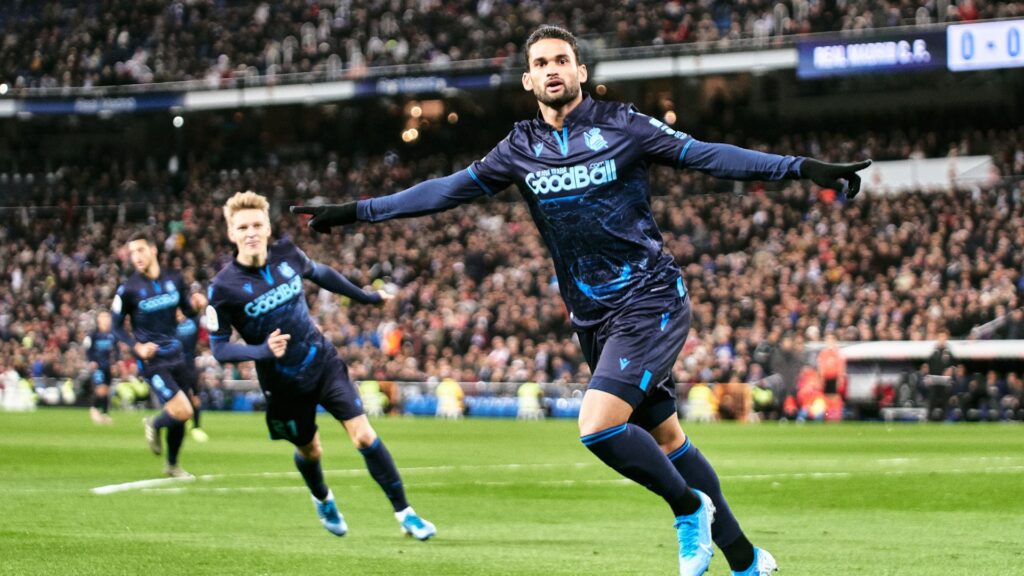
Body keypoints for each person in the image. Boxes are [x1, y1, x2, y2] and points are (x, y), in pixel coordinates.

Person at [292, 25, 870, 576]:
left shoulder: (624, 125)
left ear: (581, 71)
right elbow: (446, 190)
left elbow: (707, 155)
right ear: (527, 79)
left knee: (597, 426)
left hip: (650, 299)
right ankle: (744, 560)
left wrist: (801, 168)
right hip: (592, 317)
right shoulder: (520, 147)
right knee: (668, 439)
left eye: (561, 61)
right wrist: (357, 211)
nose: (552, 70)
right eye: (540, 63)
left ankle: (688, 507)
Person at [207, 191, 436, 540]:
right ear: (231, 233)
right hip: (283, 383)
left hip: (322, 361)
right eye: (242, 227)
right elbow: (220, 349)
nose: (250, 232)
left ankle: (406, 514)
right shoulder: (223, 288)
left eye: (256, 225)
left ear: (267, 228)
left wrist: (367, 297)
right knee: (310, 449)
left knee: (364, 436)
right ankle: (322, 498)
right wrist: (262, 351)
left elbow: (320, 273)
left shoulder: (286, 253)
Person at [111, 230, 207, 477]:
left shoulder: (174, 278)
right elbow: (116, 327)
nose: (136, 257)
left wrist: (196, 305)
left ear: (153, 250)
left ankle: (172, 465)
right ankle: (154, 423)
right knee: (184, 410)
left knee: (181, 415)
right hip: (153, 360)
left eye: (140, 250)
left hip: (177, 355)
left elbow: (187, 310)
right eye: (132, 253)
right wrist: (137, 347)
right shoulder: (128, 289)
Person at [176, 308, 208, 442]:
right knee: (178, 398)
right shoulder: (169, 324)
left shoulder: (193, 320)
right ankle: (181, 422)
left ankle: (196, 426)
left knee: (195, 396)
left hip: (190, 366)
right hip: (175, 367)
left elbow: (199, 309)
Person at [85, 310, 118, 424]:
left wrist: (115, 363)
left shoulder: (112, 335)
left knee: (106, 390)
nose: (105, 319)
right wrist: (91, 361)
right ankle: (94, 409)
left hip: (107, 365)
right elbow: (88, 349)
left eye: (107, 317)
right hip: (98, 366)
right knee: (101, 388)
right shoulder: (94, 335)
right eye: (103, 317)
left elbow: (116, 350)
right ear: (98, 320)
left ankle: (104, 413)